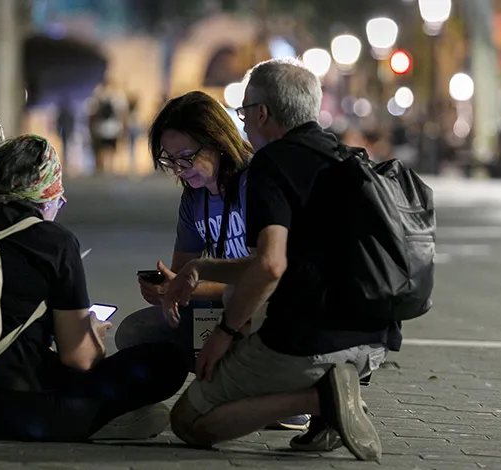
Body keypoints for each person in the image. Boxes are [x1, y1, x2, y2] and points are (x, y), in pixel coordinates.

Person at [163, 58, 402, 461]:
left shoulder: (271, 166)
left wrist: (225, 334)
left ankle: (320, 400)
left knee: (188, 423)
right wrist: (199, 268)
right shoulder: (350, 159)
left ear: (261, 113)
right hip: (373, 343)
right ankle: (329, 415)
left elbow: (270, 266)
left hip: (310, 340)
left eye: (243, 111)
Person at [0, 135, 189, 442]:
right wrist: (92, 331)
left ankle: (112, 418)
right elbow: (80, 359)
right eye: (60, 196)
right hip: (17, 413)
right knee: (167, 361)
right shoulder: (55, 242)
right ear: (48, 191)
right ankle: (105, 421)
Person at [113, 90, 310, 432]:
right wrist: (167, 290)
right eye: (169, 159)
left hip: (275, 310)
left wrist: (191, 285)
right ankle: (237, 388)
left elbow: (270, 273)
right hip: (226, 310)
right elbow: (183, 272)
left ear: (218, 142)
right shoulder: (194, 199)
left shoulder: (258, 182)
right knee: (138, 331)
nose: (179, 168)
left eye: (186, 156)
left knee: (244, 304)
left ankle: (286, 397)